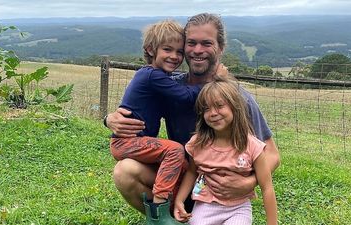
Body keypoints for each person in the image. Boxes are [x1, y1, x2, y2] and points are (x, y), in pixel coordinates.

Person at [105, 13, 280, 214]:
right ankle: (167, 216)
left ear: (220, 48)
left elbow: (272, 154)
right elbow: (140, 104)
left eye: (206, 43)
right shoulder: (171, 88)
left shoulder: (237, 97)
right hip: (182, 180)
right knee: (124, 172)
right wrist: (109, 119)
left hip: (218, 191)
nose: (197, 50)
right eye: (191, 43)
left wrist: (249, 182)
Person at [109, 20, 206, 220]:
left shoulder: (159, 77)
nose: (175, 56)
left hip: (129, 141)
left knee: (183, 166)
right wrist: (212, 81)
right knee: (174, 150)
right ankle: (161, 209)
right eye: (167, 49)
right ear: (150, 50)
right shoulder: (152, 75)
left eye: (179, 52)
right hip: (126, 141)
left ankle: (179, 210)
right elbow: (186, 96)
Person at [173, 76, 277, 225]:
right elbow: (192, 172)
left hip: (238, 207)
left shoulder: (252, 146)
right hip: (205, 204)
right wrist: (179, 200)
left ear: (235, 107)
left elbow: (267, 188)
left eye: (219, 105)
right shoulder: (198, 143)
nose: (213, 113)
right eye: (206, 109)